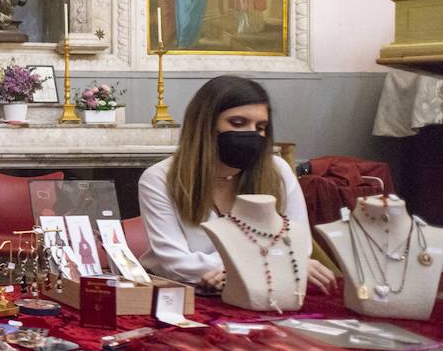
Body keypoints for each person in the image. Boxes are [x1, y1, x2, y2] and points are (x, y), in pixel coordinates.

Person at [138, 75, 334, 291]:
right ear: (206, 125)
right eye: (238, 123)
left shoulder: (278, 171)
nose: (251, 133)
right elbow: (177, 262)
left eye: (260, 126)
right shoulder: (159, 178)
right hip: (183, 294)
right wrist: (273, 262)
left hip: (265, 290)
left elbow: (299, 244)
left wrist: (240, 269)